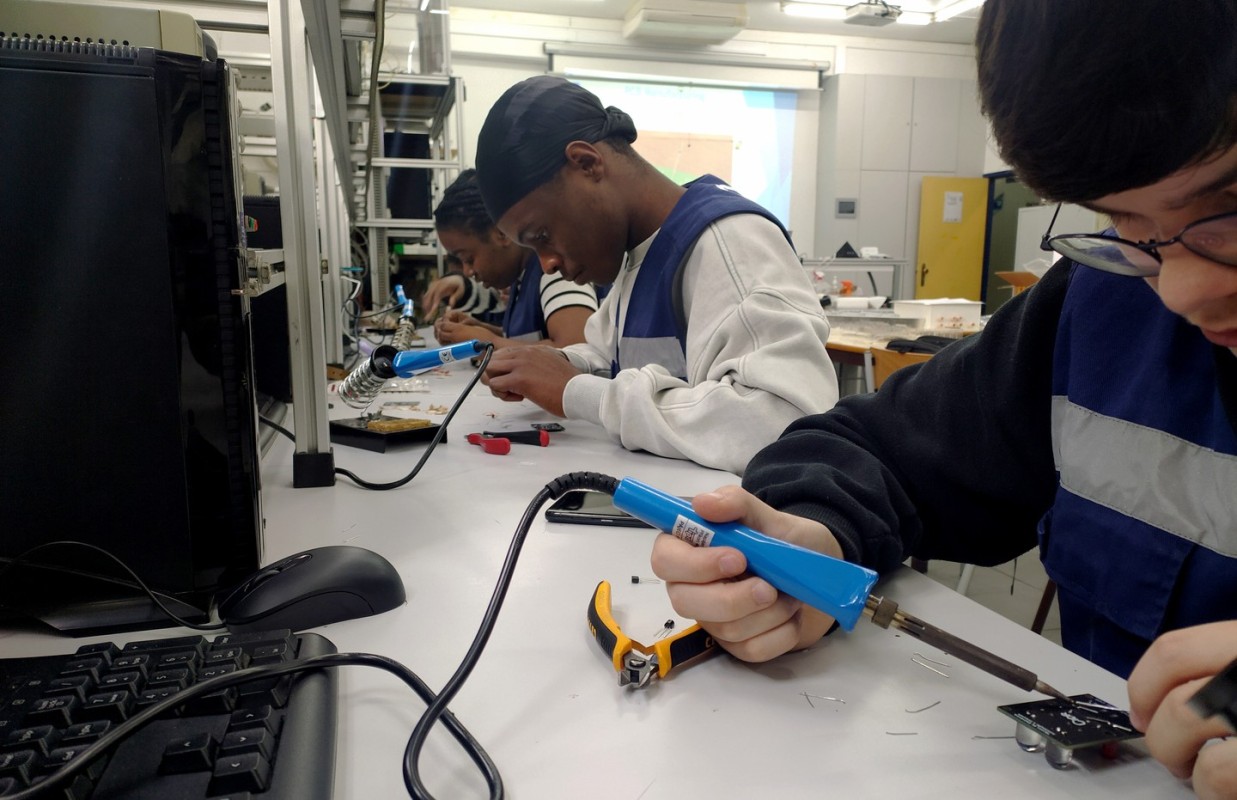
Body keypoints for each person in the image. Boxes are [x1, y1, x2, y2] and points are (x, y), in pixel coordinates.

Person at [649, 0, 1237, 792]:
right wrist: (817, 539)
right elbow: (868, 448)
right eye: (1124, 221)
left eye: (1228, 215)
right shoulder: (1102, 307)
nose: (1183, 291)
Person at [473, 76, 837, 475]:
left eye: (542, 235)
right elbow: (612, 361)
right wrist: (553, 365)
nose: (547, 264)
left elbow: (785, 423)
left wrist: (578, 393)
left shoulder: (727, 241)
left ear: (587, 163)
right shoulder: (638, 255)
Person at [426, 169, 597, 350]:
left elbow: (575, 347)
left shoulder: (554, 270)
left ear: (501, 233)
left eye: (468, 258)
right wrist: (483, 331)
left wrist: (490, 343)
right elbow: (533, 340)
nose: (468, 272)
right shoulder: (520, 280)